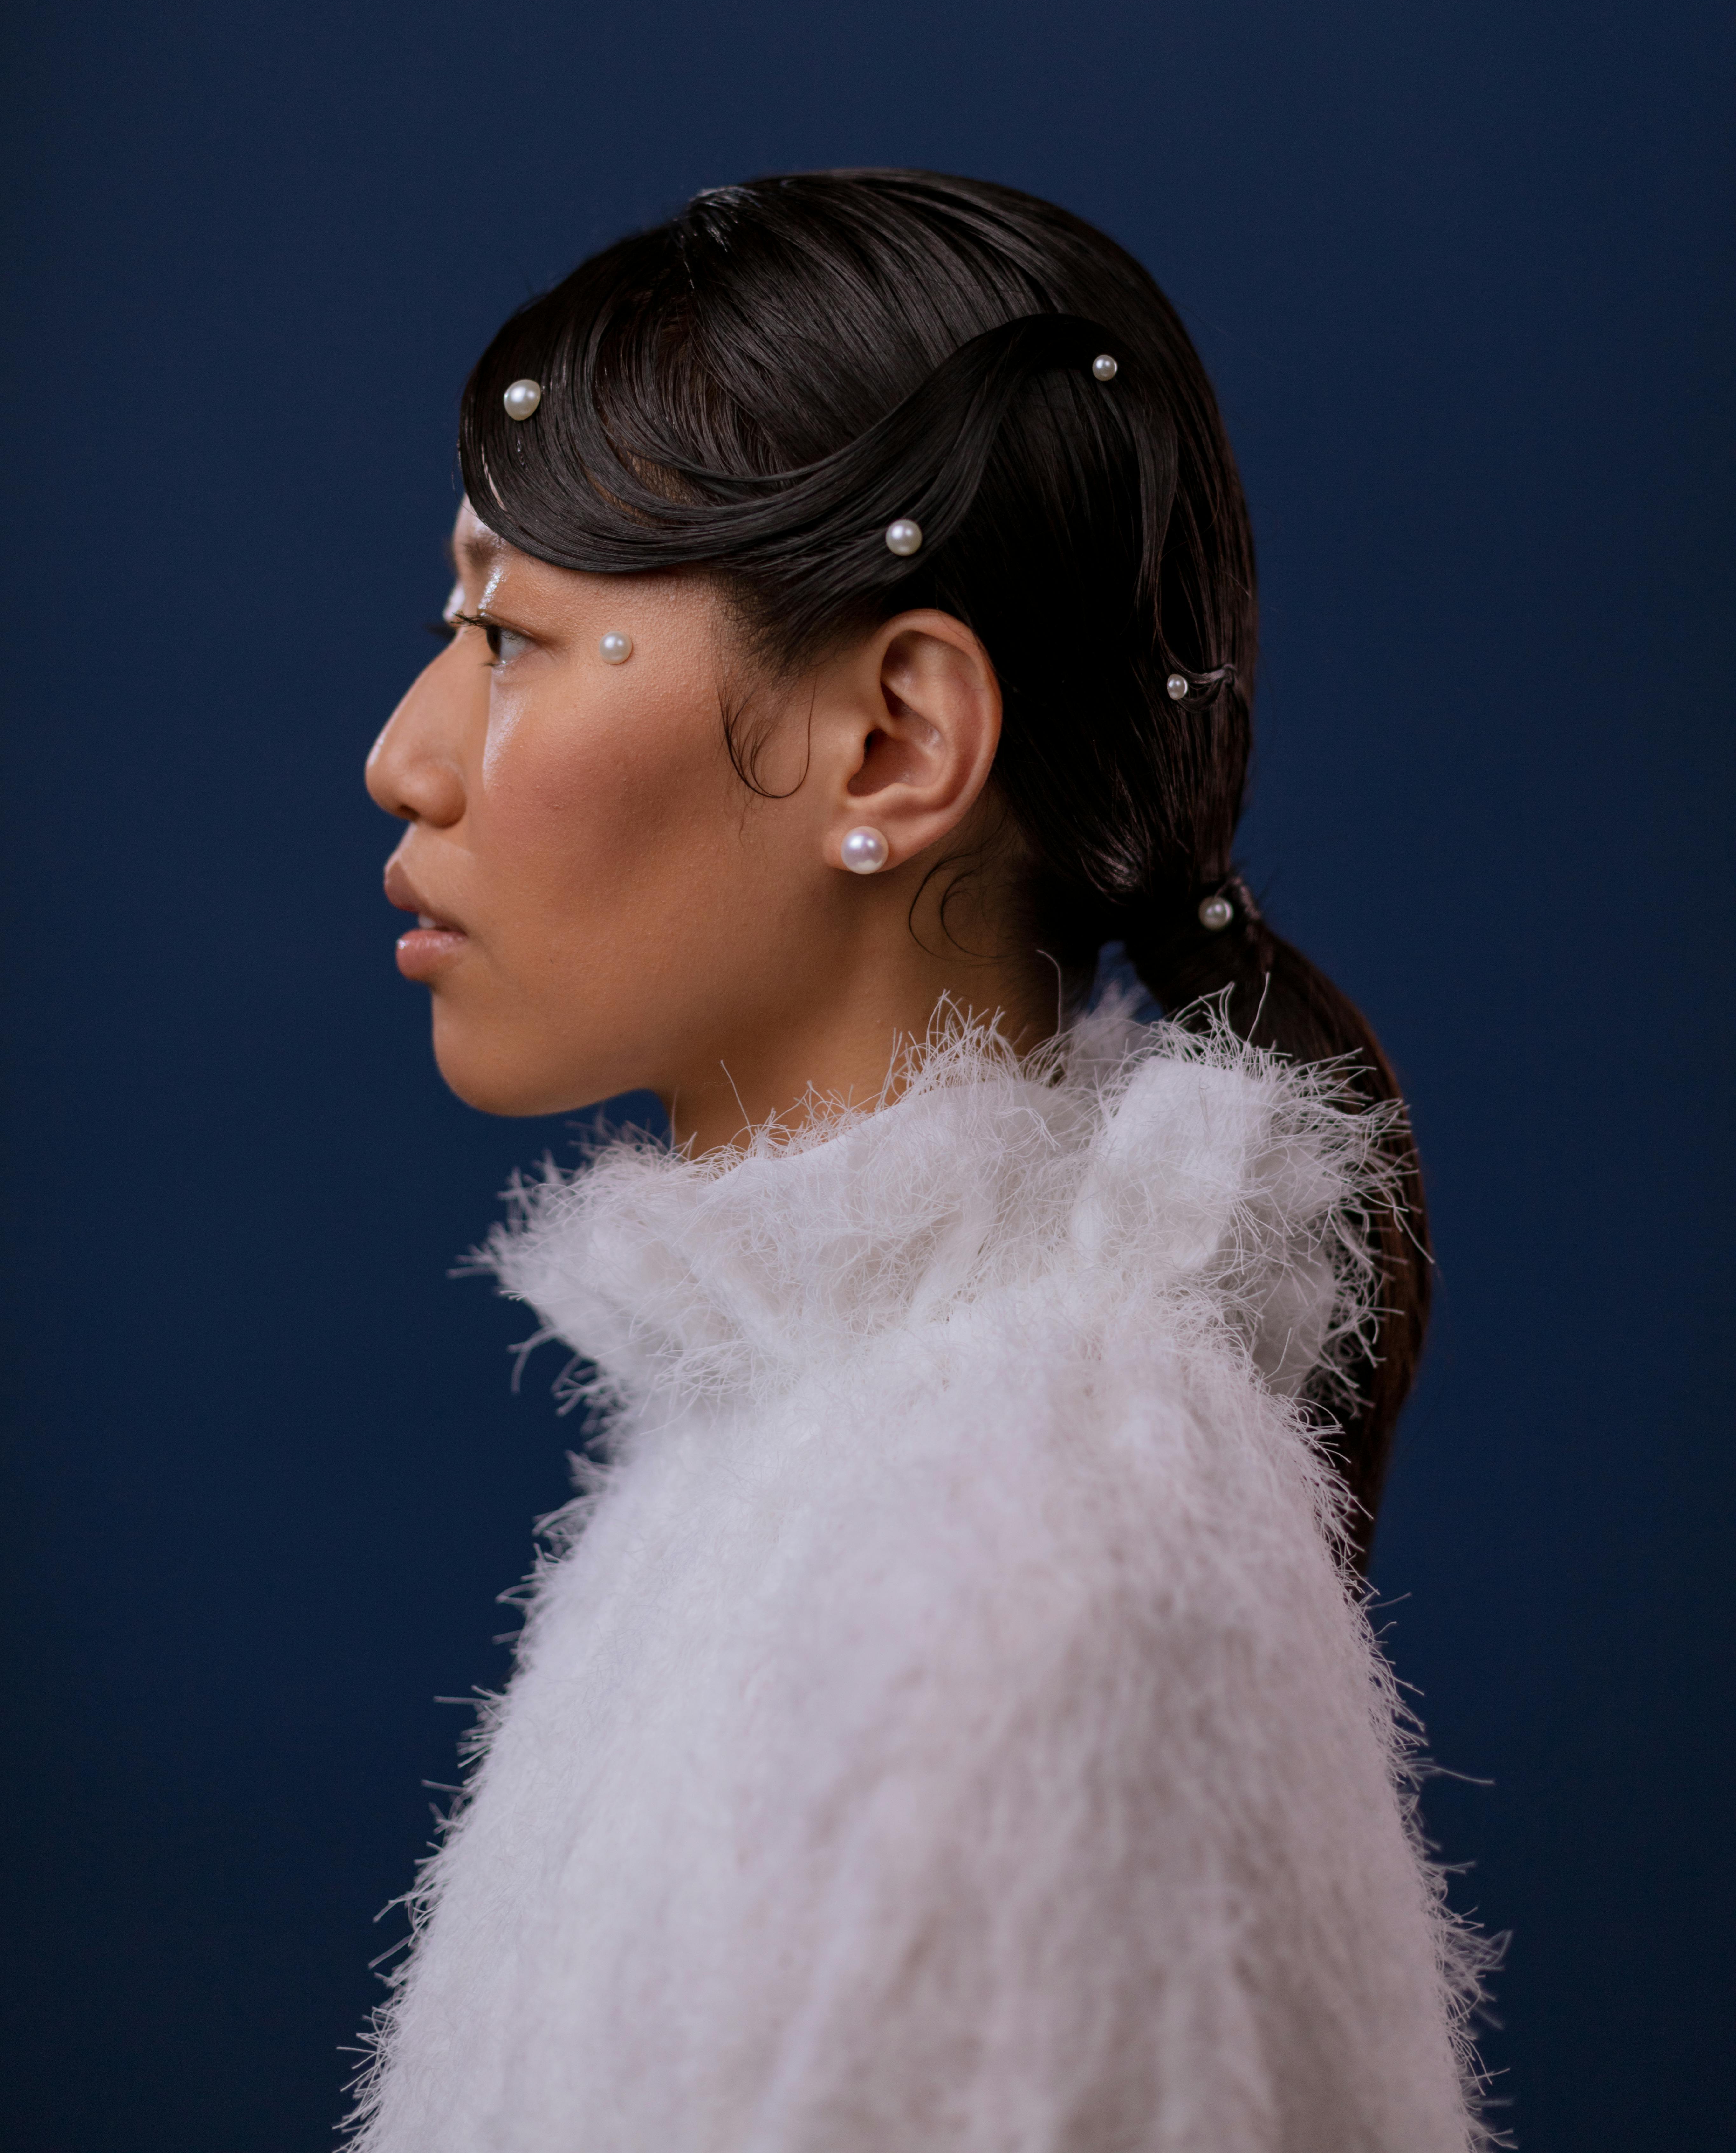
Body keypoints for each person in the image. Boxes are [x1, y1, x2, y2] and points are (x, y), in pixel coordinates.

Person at [353, 169, 1489, 2150]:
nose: (408, 748)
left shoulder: (1020, 1525)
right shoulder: (844, 1445)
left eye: (515, 634)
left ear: (893, 743)